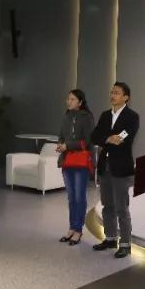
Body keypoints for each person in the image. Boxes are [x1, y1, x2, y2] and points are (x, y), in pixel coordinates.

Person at [91, 81, 140, 258]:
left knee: (121, 207)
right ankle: (110, 238)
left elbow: (124, 137)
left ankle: (125, 244)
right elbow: (94, 136)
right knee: (107, 205)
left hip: (121, 167)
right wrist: (108, 138)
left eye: (117, 92)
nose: (112, 95)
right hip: (105, 166)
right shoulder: (105, 115)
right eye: (112, 92)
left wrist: (110, 138)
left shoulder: (132, 116)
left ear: (126, 97)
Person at [56, 89, 95, 245]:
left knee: (79, 197)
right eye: (68, 99)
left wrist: (68, 145)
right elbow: (61, 135)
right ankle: (72, 228)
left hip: (80, 163)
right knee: (71, 197)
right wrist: (60, 144)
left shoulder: (87, 117)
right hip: (67, 161)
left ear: (80, 102)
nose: (69, 101)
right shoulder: (66, 116)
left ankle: (78, 230)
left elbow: (88, 141)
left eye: (72, 99)